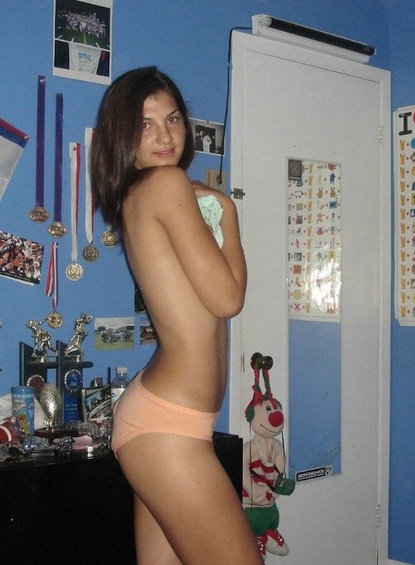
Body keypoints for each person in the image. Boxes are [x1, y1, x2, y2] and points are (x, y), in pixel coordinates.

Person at [90, 67, 262, 565]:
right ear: (122, 137)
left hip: (163, 421)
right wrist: (228, 212)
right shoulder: (166, 185)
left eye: (172, 119)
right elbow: (227, 300)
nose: (165, 136)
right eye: (144, 125)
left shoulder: (144, 193)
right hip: (168, 429)